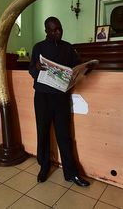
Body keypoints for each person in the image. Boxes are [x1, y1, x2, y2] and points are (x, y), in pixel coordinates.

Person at [28, 16, 90, 187]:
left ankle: (71, 173)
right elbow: (31, 69)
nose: (57, 32)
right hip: (42, 97)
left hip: (61, 97)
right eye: (53, 30)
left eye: (59, 29)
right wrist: (37, 68)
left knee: (64, 136)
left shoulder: (68, 48)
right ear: (46, 31)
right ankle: (44, 167)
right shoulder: (38, 47)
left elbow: (76, 68)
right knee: (43, 132)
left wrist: (85, 68)